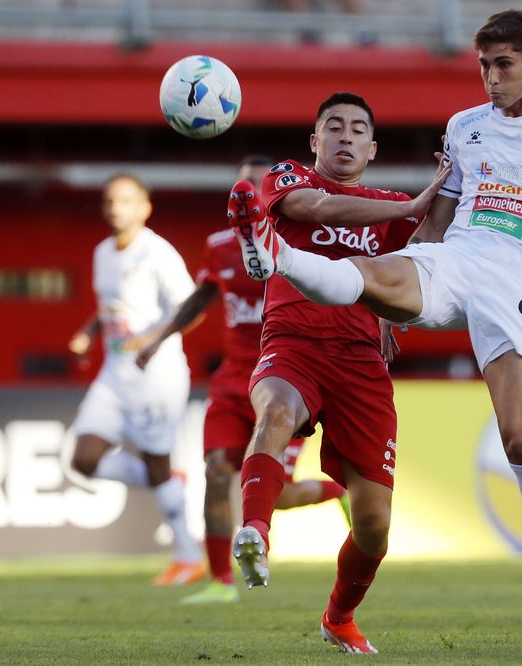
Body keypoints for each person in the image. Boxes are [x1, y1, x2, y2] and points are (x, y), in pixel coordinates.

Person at [228, 10, 522, 659]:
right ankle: (274, 255)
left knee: (521, 437)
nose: (491, 78)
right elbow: (437, 218)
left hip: (521, 283)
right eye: (483, 65)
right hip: (455, 261)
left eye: (503, 64)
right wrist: (396, 295)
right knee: (365, 273)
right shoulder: (465, 127)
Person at [226, 91, 449, 654]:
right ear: (314, 140)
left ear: (372, 148)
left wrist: (449, 185)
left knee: (374, 525)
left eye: (357, 130)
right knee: (275, 411)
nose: (345, 137)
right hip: (294, 343)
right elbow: (315, 209)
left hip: (360, 364)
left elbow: (424, 252)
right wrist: (407, 208)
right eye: (334, 127)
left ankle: (338, 617)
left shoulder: (388, 204)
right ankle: (254, 532)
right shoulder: (287, 178)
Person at [135, 155, 351, 604]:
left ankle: (337, 492)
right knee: (216, 473)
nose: (249, 195)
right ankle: (220, 584)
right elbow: (200, 299)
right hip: (233, 379)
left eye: (258, 186)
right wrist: (158, 340)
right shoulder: (220, 245)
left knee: (281, 496)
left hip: (284, 380)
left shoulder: (301, 244)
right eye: (242, 188)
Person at [68, 174, 204, 585]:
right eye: (110, 200)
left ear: (145, 207)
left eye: (125, 200)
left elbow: (192, 309)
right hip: (113, 376)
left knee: (156, 460)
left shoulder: (158, 253)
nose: (115, 207)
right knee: (83, 460)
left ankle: (187, 555)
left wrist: (150, 340)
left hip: (155, 375)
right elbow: (111, 306)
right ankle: (162, 479)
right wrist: (88, 333)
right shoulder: (102, 253)